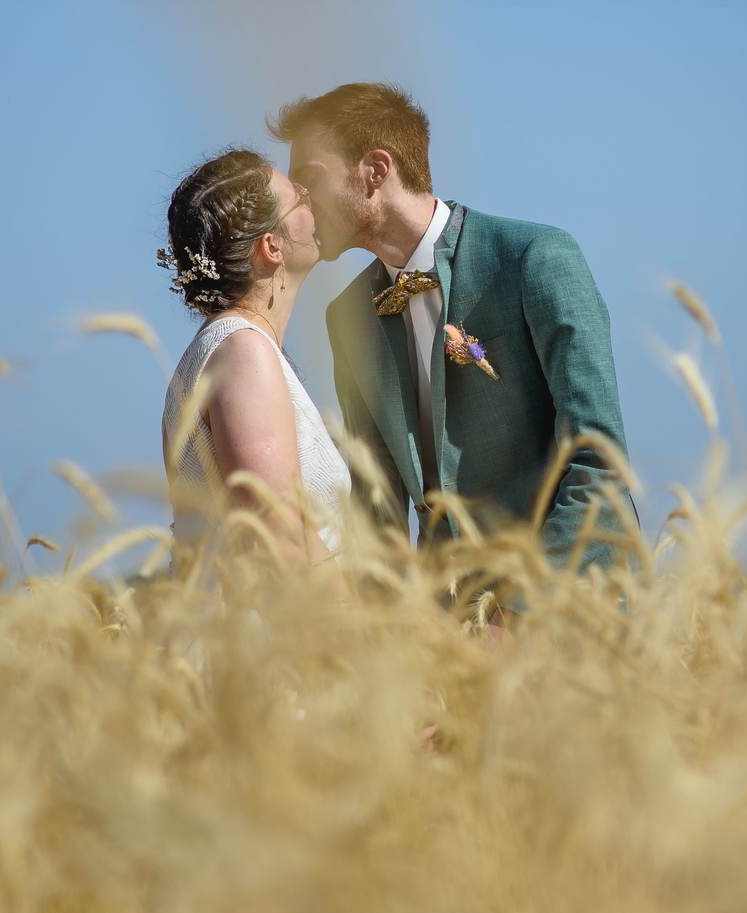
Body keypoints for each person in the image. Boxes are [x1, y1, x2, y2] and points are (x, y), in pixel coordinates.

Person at [269, 82, 636, 581]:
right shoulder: (347, 316)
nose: (302, 209)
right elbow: (379, 506)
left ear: (374, 171)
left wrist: (516, 607)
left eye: (310, 183)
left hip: (574, 610)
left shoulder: (536, 260)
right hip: (447, 630)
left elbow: (601, 466)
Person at [158, 148, 350, 569]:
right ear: (272, 246)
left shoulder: (230, 347)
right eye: (298, 197)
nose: (311, 200)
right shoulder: (242, 352)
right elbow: (276, 533)